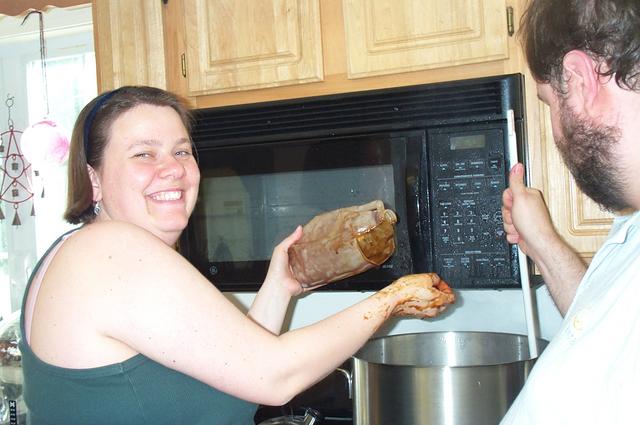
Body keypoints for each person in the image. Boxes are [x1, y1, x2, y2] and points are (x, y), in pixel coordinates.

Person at [18, 86, 453, 425]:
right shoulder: (111, 251)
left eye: (181, 150)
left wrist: (278, 287)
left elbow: (239, 375)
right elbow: (274, 375)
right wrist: (389, 300)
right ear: (93, 179)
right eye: (144, 154)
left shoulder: (89, 253)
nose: (173, 168)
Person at [500, 0, 640, 423]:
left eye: (548, 103)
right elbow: (601, 332)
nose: (556, 131)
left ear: (578, 79)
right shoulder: (632, 228)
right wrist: (542, 245)